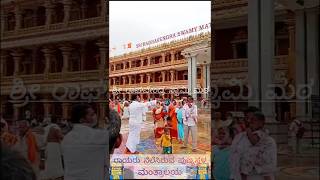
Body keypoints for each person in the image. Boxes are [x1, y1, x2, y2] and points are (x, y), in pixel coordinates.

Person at [61, 104, 108, 180]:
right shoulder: (100, 136)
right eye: (91, 114)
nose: (95, 116)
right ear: (81, 119)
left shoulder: (66, 139)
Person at [229, 111, 277, 180]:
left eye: (253, 120)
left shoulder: (266, 138)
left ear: (261, 123)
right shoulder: (241, 137)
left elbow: (269, 164)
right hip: (246, 169)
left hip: (259, 173)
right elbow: (235, 154)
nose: (249, 122)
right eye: (247, 119)